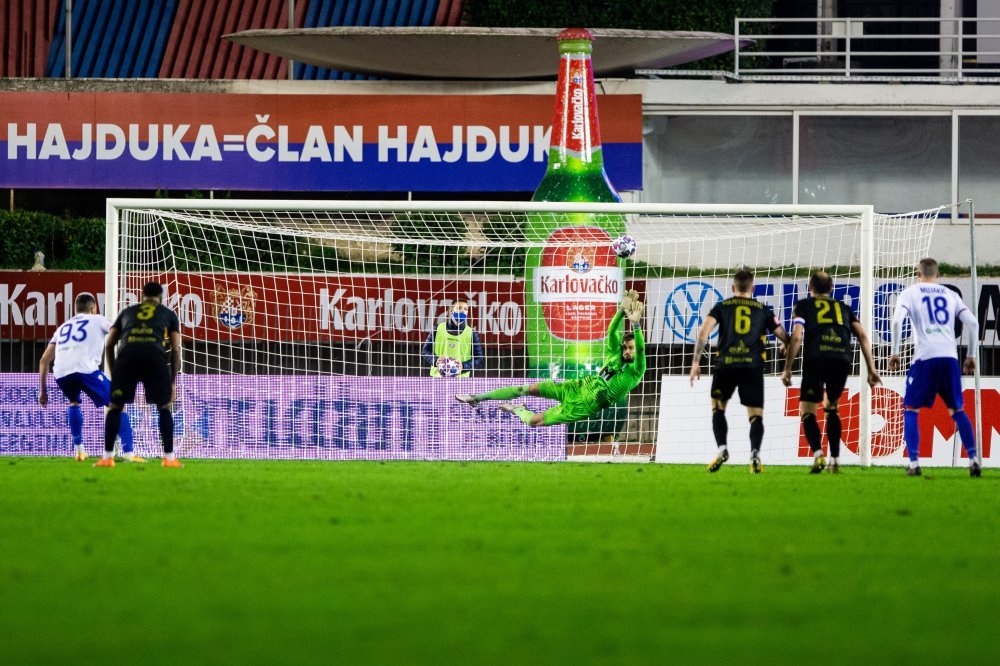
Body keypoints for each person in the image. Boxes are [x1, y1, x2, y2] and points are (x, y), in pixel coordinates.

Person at [455, 289, 645, 427]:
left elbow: (642, 350)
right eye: (625, 348)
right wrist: (621, 311)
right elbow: (611, 331)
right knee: (526, 388)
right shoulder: (614, 355)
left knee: (533, 421)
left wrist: (636, 326)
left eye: (631, 349)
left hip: (582, 408)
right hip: (575, 387)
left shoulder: (636, 372)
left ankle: (517, 409)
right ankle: (476, 397)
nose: (627, 351)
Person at [888, 258, 981, 477]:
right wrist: (971, 355)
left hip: (925, 357)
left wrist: (895, 352)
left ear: (917, 273)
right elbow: (973, 323)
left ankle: (914, 463)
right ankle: (974, 459)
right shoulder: (950, 294)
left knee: (911, 408)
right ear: (937, 274)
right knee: (957, 409)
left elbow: (897, 321)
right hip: (949, 358)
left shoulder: (910, 293)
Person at [690, 269, 789, 474]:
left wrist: (696, 362)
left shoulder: (722, 306)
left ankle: (722, 449)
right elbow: (782, 333)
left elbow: (703, 332)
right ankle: (755, 454)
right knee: (756, 416)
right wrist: (786, 343)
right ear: (753, 288)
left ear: (733, 287)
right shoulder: (763, 309)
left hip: (726, 365)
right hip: (752, 367)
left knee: (718, 408)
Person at [781, 271, 880, 474]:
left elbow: (797, 337)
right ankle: (835, 461)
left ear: (810, 288)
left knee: (808, 410)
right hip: (841, 358)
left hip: (816, 358)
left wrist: (788, 368)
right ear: (831, 289)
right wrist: (872, 369)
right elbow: (862, 336)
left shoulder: (804, 305)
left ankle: (819, 455)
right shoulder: (844, 308)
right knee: (832, 407)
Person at [38, 294, 138, 462]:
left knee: (74, 402)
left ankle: (79, 451)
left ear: (75, 309)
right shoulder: (98, 320)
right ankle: (129, 453)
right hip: (85, 369)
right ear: (93, 308)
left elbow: (43, 360)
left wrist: (43, 391)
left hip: (61, 372)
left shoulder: (63, 327)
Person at [96, 282, 183, 469]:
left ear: (142, 296)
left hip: (127, 357)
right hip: (155, 357)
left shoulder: (127, 312)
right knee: (164, 407)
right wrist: (172, 382)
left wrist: (114, 372)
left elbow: (109, 343)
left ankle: (107, 458)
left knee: (115, 407)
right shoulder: (168, 314)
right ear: (160, 297)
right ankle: (169, 459)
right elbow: (176, 348)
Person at [421, 299, 483, 377]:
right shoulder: (438, 328)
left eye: (465, 309)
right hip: (437, 377)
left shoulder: (471, 333)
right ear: (451, 311)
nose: (462, 311)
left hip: (461, 379)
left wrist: (463, 366)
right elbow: (425, 350)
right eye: (459, 308)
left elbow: (478, 357)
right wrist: (435, 360)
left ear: (467, 313)